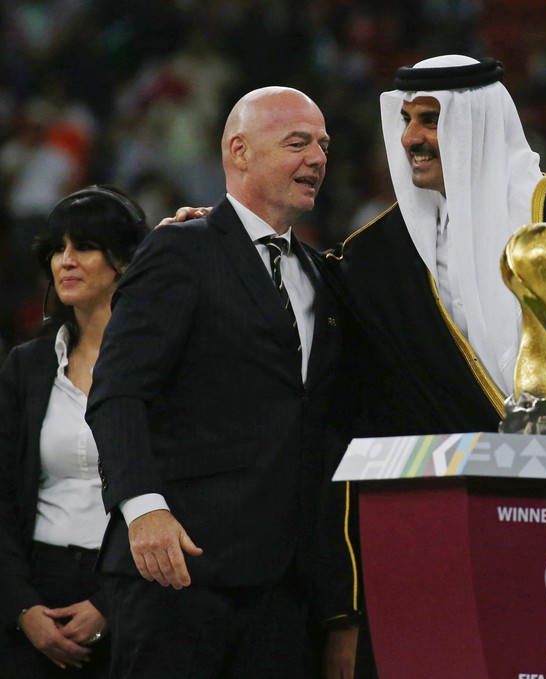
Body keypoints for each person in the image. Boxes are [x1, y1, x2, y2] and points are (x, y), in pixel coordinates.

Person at [85, 87, 361, 678]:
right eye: (297, 143)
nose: (317, 158)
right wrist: (142, 509)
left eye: (323, 144)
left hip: (285, 590)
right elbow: (119, 391)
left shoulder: (323, 275)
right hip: (180, 572)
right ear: (239, 151)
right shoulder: (179, 250)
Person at [324, 54, 546, 439]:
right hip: (467, 486)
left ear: (476, 124)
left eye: (430, 119)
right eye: (406, 119)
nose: (411, 138)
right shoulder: (388, 250)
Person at [0, 185, 150, 677]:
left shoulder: (160, 366)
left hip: (132, 590)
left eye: (83, 247)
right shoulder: (27, 366)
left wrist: (109, 603)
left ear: (124, 261)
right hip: (35, 587)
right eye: (57, 250)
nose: (65, 261)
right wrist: (22, 609)